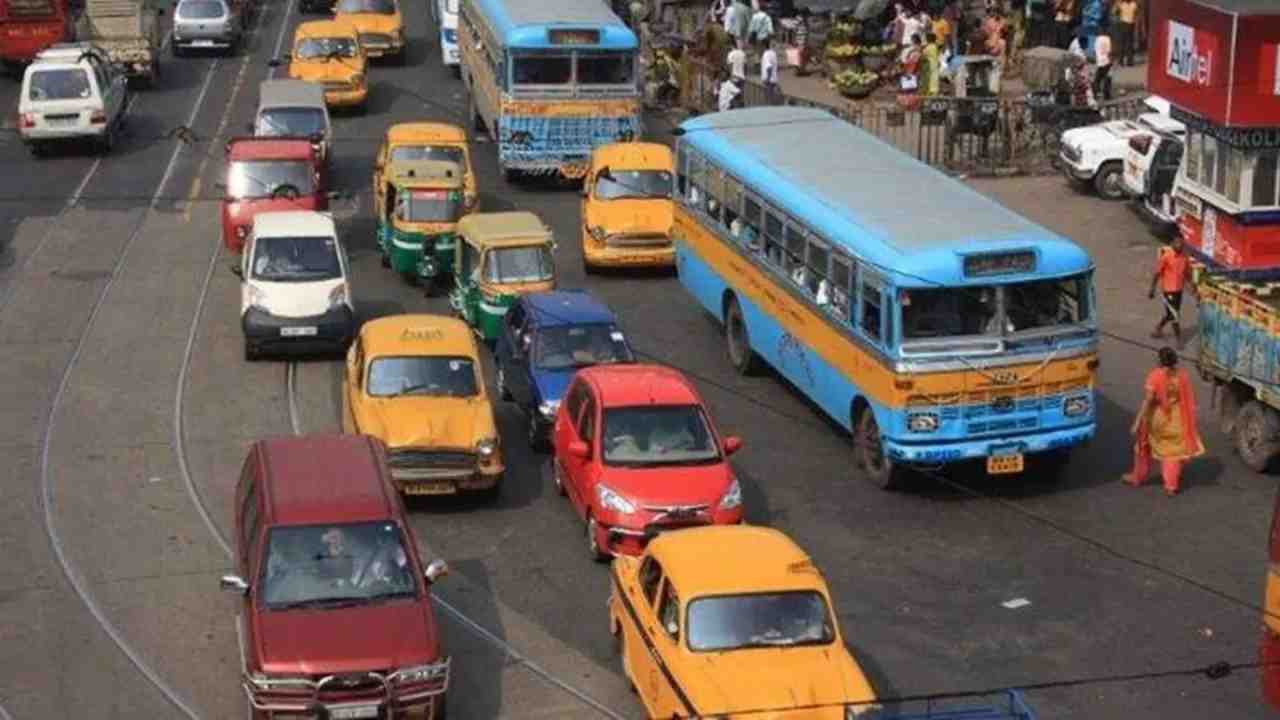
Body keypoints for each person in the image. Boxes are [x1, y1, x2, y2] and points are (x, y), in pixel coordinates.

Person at [1123, 346, 1205, 496]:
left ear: (1159, 361)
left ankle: (1137, 476)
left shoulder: (1155, 376)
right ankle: (1171, 485)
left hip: (1159, 419)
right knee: (1174, 452)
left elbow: (1148, 401)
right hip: (1178, 419)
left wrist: (1137, 421)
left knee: (1142, 446)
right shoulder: (1182, 376)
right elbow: (1187, 399)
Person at [1148, 238, 1194, 344]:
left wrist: (1192, 287)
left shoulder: (1184, 257)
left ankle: (1158, 328)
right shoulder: (1166, 257)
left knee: (1172, 314)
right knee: (1174, 316)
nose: (1179, 246)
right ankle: (1179, 339)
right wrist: (1152, 289)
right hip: (1168, 291)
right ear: (1172, 244)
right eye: (1177, 244)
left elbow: (1187, 274)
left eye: (1181, 244)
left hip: (1179, 291)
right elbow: (1157, 273)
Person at [1114, 0, 1137, 66]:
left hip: (1124, 24)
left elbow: (1114, 12)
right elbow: (1136, 14)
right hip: (1129, 24)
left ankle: (1122, 61)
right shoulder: (1133, 4)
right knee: (1129, 43)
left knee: (1123, 43)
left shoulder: (1121, 4)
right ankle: (1129, 61)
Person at [1092, 27, 1112, 99]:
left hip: (1099, 61)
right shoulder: (1107, 39)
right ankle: (1106, 95)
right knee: (1107, 78)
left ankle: (1095, 93)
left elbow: (1094, 51)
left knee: (1097, 78)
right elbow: (1109, 51)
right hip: (1107, 61)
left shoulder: (1097, 39)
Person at [920, 32, 941, 96]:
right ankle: (934, 94)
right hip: (935, 65)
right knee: (934, 81)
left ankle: (928, 95)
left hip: (928, 66)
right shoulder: (935, 46)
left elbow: (922, 57)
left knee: (927, 81)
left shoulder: (927, 48)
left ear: (928, 39)